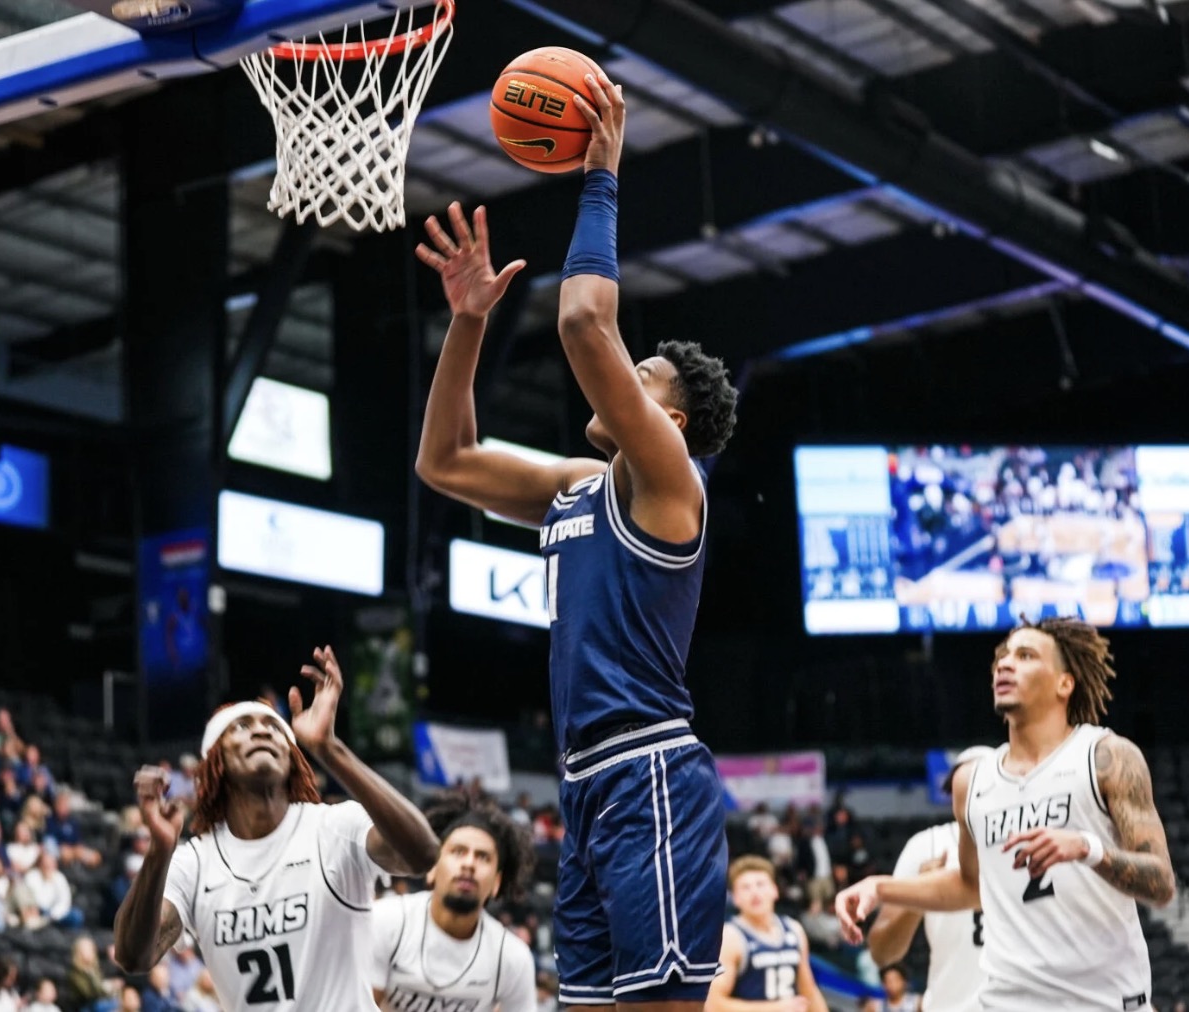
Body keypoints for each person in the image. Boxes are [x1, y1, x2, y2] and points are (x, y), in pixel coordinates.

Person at [414, 70, 737, 1012]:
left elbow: (584, 317)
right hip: (585, 787)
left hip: (648, 770)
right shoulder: (574, 487)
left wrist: (601, 180)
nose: (617, 384)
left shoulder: (673, 483)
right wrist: (467, 325)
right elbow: (448, 460)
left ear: (668, 421)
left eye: (640, 380)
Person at [836, 619, 1176, 1011]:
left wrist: (1086, 847)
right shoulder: (973, 781)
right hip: (1006, 1001)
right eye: (1002, 658)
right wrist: (881, 888)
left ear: (1064, 684)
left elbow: (1161, 883)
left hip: (1103, 1001)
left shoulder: (1105, 757)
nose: (1005, 665)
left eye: (1026, 656)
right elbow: (969, 886)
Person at [113, 646, 440, 1011]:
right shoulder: (195, 862)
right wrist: (159, 852)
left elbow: (423, 854)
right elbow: (133, 956)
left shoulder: (334, 827)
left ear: (292, 760)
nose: (261, 732)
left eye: (273, 727)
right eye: (241, 727)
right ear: (215, 763)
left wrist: (329, 749)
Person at [368, 797, 537, 1012]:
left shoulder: (513, 958)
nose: (469, 864)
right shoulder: (386, 920)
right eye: (458, 852)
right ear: (432, 869)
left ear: (496, 883)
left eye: (483, 857)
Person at [866, 746, 996, 1012]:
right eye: (964, 784)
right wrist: (921, 897)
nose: (974, 791)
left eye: (983, 781)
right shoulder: (926, 845)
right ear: (951, 793)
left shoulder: (1035, 835)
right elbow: (882, 952)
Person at [707, 855, 826, 1011]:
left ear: (775, 890)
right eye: (745, 887)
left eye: (760, 884)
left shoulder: (794, 929)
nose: (755, 892)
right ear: (736, 898)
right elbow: (713, 1005)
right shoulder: (731, 937)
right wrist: (772, 1009)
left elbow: (809, 990)